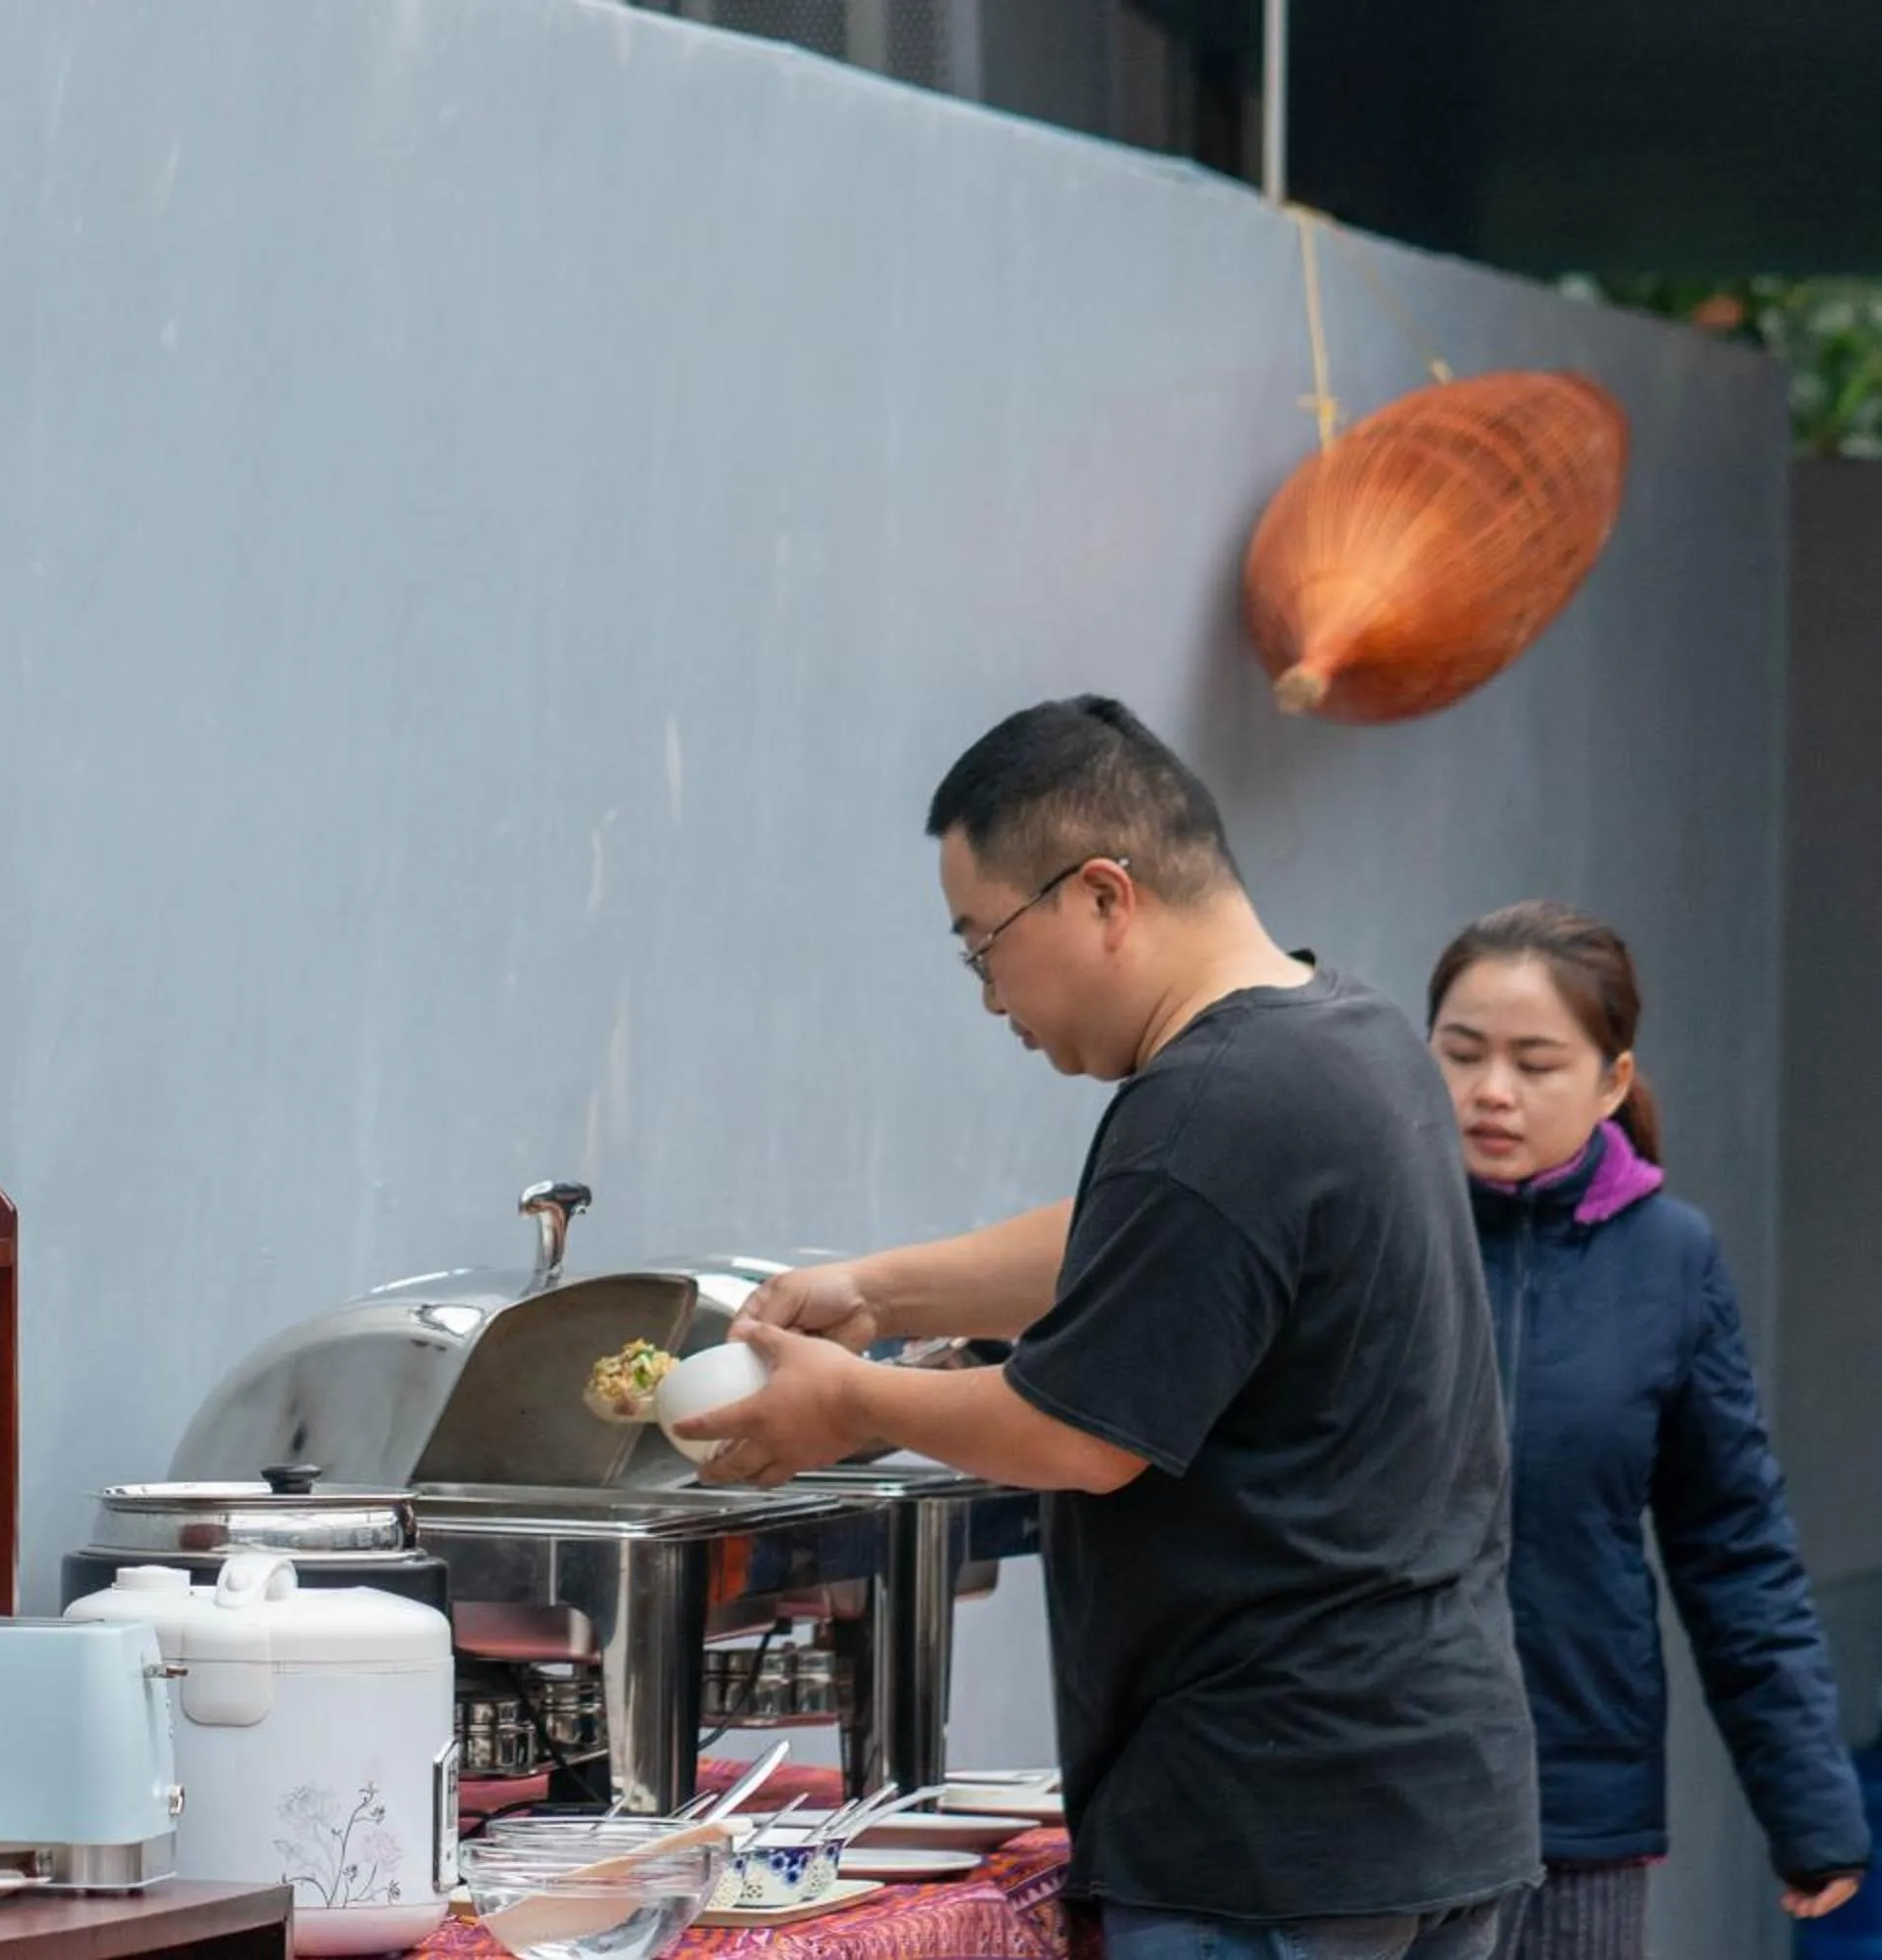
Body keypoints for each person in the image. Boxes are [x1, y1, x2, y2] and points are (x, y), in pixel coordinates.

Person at [676, 695, 1539, 1959]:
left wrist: (849, 1398)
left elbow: (1078, 1435)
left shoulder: (1211, 1098)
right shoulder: (1345, 1036)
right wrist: (882, 1291)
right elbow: (1149, 1238)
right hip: (1417, 1795)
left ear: (1100, 895)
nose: (988, 996)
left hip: (1275, 1825)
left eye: (983, 943)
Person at [1428, 902, 1870, 1955]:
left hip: (1578, 1801)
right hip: (1375, 1789)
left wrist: (1811, 1813)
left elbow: (1736, 1551)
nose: (1491, 1091)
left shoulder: (1670, 1260)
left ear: (1613, 1081)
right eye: (1460, 1052)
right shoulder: (1367, 1228)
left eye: (1536, 1061)